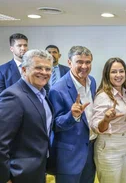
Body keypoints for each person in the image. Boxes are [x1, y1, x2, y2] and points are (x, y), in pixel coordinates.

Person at [0, 49, 53, 183]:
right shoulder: (13, 97)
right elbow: (1, 143)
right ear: (24, 70)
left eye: (48, 69)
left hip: (38, 170)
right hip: (18, 174)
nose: (44, 72)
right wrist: (5, 178)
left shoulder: (43, 94)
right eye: (38, 68)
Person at [49, 46, 96, 183]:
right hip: (70, 155)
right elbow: (55, 125)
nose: (84, 66)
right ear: (69, 62)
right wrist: (72, 115)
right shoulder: (58, 89)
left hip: (90, 149)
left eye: (88, 62)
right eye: (79, 62)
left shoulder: (92, 81)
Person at [91, 57, 126, 183]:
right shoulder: (102, 96)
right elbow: (96, 127)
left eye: (121, 71)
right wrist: (106, 120)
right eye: (114, 72)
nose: (118, 75)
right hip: (110, 147)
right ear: (107, 74)